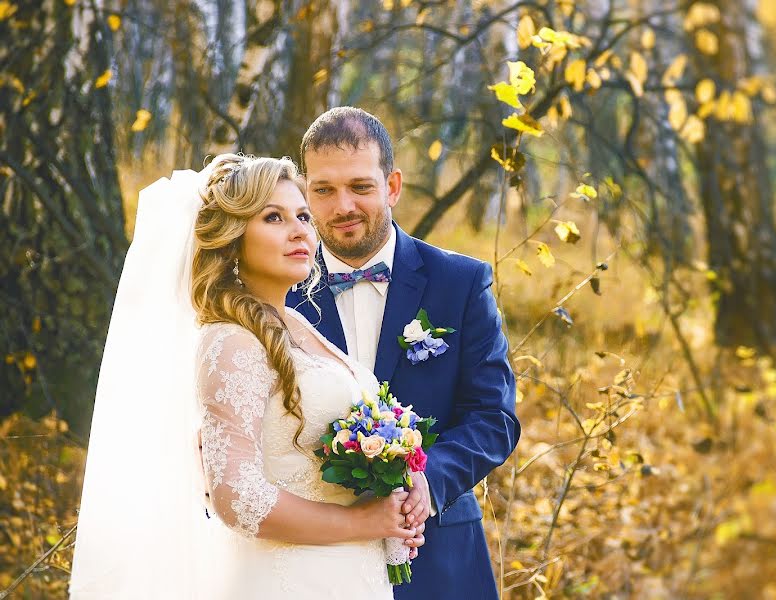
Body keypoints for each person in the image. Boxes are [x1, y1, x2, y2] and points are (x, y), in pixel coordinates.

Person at [69, 154, 424, 599]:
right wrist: (362, 522)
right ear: (233, 239)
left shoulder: (297, 326)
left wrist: (405, 482)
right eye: (273, 217)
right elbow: (237, 496)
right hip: (290, 579)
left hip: (351, 574)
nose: (299, 230)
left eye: (302, 216)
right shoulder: (232, 342)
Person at [286, 107, 521, 599]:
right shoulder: (278, 293)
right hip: (312, 555)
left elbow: (493, 417)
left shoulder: (460, 283)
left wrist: (427, 482)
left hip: (438, 557)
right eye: (324, 190)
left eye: (360, 186)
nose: (342, 205)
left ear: (392, 186)